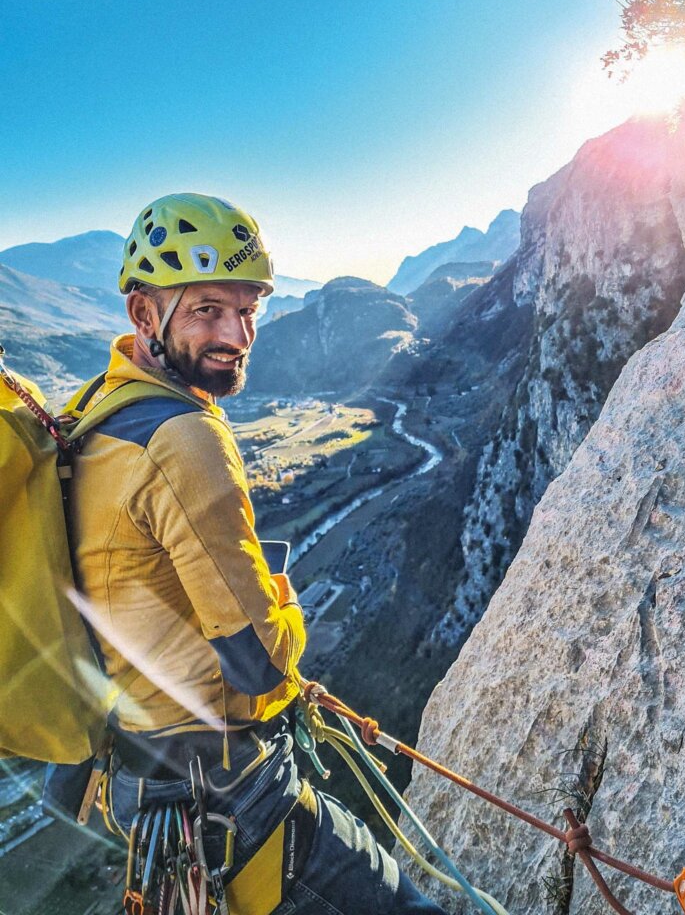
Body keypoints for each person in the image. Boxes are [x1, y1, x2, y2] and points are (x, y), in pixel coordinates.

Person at [68, 192, 447, 914]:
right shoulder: (184, 438)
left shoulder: (98, 407)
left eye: (248, 311)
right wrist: (285, 600)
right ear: (144, 314)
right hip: (231, 794)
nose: (236, 334)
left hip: (146, 777)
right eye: (208, 309)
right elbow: (262, 660)